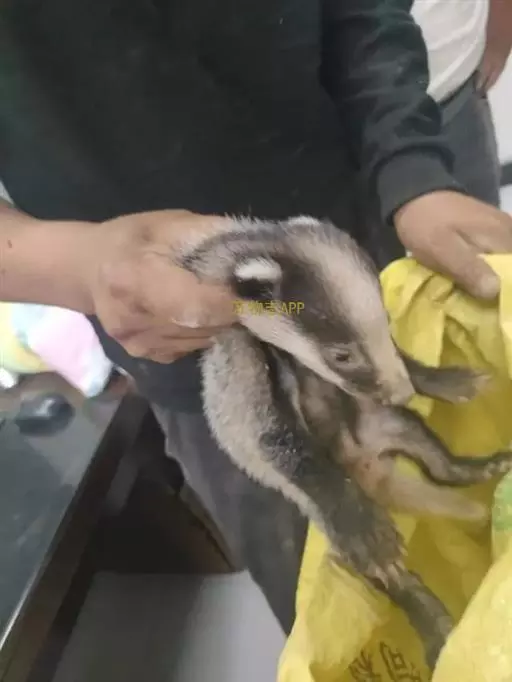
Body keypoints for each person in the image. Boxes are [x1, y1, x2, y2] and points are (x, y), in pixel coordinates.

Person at [2, 0, 512, 633]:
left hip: (360, 218)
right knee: (358, 595)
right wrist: (77, 263)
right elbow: (276, 424)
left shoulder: (307, 298)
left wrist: (412, 167)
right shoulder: (264, 317)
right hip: (180, 338)